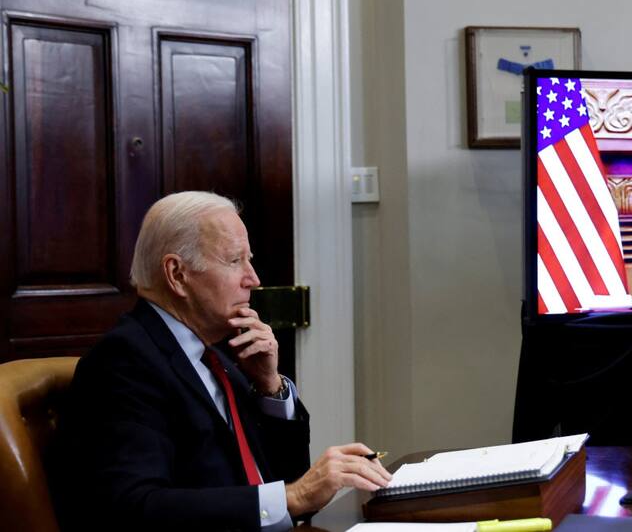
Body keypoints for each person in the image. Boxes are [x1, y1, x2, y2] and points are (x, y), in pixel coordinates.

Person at [52, 191, 391, 531]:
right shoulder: (124, 362)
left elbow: (286, 482)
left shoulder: (217, 354)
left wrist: (270, 387)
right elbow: (135, 507)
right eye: (234, 261)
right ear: (177, 274)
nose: (253, 279)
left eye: (249, 260)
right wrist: (295, 497)